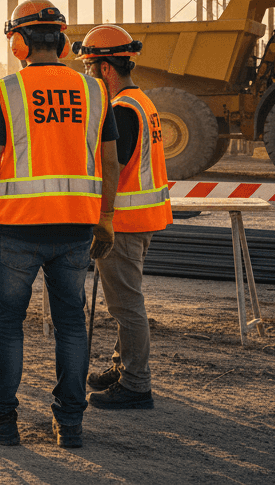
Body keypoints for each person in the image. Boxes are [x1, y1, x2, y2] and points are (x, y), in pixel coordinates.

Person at [0, 0, 119, 449]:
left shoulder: (7, 90)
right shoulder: (95, 91)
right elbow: (110, 159)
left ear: (18, 42)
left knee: (6, 324)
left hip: (19, 230)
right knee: (71, 324)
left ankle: (1, 419)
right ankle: (71, 425)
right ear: (65, 41)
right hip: (76, 230)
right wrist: (106, 219)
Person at [73, 24, 171, 411]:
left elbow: (115, 165)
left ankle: (135, 384)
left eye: (88, 66)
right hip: (141, 217)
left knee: (125, 305)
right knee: (124, 300)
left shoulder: (121, 110)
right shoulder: (141, 101)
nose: (86, 74)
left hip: (124, 222)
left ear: (105, 68)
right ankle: (122, 366)